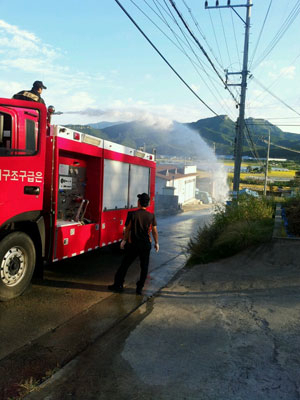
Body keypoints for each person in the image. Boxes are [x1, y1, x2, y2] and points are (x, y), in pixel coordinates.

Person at [108, 193, 159, 295]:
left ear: (138, 203)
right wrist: (156, 243)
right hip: (145, 245)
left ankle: (118, 285)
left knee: (125, 265)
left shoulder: (132, 214)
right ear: (148, 204)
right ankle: (139, 288)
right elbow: (154, 231)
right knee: (144, 267)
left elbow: (127, 229)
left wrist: (124, 241)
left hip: (134, 245)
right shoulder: (151, 216)